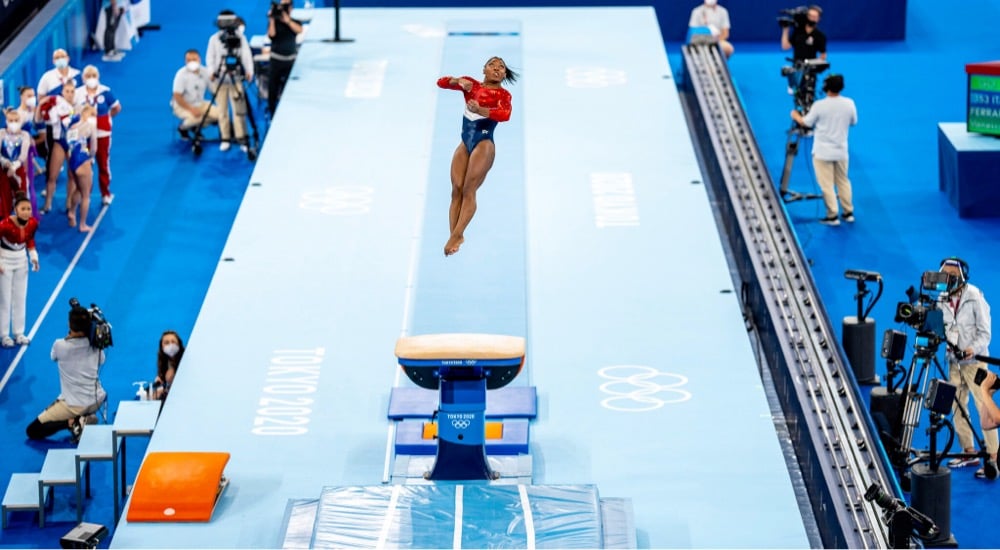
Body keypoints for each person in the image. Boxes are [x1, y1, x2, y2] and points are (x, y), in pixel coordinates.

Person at [437, 57, 517, 256]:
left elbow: (504, 114)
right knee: (456, 190)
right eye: (493, 65)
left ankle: (457, 235)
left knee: (468, 189)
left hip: (484, 144)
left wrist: (479, 109)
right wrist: (457, 81)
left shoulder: (504, 94)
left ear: (504, 75)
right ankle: (454, 235)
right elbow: (441, 82)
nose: (497, 69)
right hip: (465, 144)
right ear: (484, 69)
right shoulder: (470, 85)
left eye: (501, 68)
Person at [937, 257, 997, 479]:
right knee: (957, 405)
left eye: (953, 276)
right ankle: (969, 451)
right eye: (946, 275)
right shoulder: (941, 296)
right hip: (953, 362)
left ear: (962, 277)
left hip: (975, 363)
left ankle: (993, 457)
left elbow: (985, 333)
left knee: (984, 409)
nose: (948, 279)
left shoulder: (975, 297)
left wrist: (972, 349)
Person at [25, 304, 106, 441]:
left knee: (32, 430)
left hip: (76, 406)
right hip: (97, 399)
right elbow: (101, 360)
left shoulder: (59, 345)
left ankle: (73, 422)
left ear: (69, 324)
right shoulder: (95, 345)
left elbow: (53, 357)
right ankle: (85, 417)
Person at [790, 74, 856, 226]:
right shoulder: (849, 103)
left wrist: (795, 115)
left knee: (827, 185)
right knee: (843, 181)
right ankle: (848, 212)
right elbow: (853, 121)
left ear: (826, 87)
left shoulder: (819, 105)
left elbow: (806, 123)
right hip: (841, 151)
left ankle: (832, 215)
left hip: (822, 153)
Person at [205, 11, 254, 153]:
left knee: (239, 110)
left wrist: (249, 70)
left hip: (236, 78)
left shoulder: (241, 38)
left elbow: (246, 55)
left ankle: (242, 138)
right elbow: (210, 58)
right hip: (219, 78)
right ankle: (225, 139)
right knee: (222, 111)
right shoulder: (214, 39)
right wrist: (211, 72)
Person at [74, 64, 121, 206]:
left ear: (98, 77)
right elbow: (74, 112)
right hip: (84, 135)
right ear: (83, 78)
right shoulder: (78, 93)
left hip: (102, 134)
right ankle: (83, 194)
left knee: (103, 163)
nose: (91, 79)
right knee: (84, 165)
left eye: (93, 76)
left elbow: (117, 108)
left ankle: (105, 193)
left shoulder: (105, 91)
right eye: (88, 76)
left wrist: (107, 119)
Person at [0, 195, 39, 348]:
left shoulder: (33, 224)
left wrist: (34, 257)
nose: (26, 212)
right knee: (4, 299)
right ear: (15, 210)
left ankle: (19, 333)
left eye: (28, 209)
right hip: (5, 262)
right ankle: (4, 335)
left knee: (20, 297)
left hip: (21, 261)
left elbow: (30, 239)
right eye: (23, 209)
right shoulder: (4, 225)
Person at [36, 49, 81, 168]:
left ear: (68, 58)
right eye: (57, 57)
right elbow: (41, 99)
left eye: (62, 56)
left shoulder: (77, 75)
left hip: (74, 119)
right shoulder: (47, 77)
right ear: (53, 61)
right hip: (54, 122)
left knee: (74, 154)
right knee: (54, 154)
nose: (60, 59)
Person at [41, 80, 78, 214]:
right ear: (62, 92)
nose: (69, 94)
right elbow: (61, 121)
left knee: (72, 175)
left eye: (72, 91)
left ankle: (69, 202)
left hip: (72, 143)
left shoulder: (76, 106)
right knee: (52, 175)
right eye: (67, 91)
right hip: (60, 141)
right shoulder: (58, 105)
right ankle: (48, 203)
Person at [63, 105, 99, 232]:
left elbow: (69, 147)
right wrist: (91, 157)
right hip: (83, 161)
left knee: (78, 188)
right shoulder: (90, 126)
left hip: (72, 161)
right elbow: (94, 147)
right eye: (93, 115)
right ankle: (83, 224)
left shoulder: (71, 127)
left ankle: (72, 212)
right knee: (86, 195)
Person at [172, 49, 220, 139]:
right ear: (185, 61)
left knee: (221, 114)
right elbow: (177, 96)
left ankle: (196, 127)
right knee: (197, 118)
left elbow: (213, 90)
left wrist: (221, 103)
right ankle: (183, 128)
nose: (191, 62)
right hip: (182, 105)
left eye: (194, 59)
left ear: (199, 59)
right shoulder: (181, 75)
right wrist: (191, 109)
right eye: (188, 60)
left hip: (200, 103)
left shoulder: (205, 72)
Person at [266, 0, 304, 116]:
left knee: (290, 90)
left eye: (286, 6)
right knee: (272, 91)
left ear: (291, 7)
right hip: (276, 61)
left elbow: (299, 30)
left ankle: (291, 113)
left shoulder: (294, 20)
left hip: (290, 61)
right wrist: (272, 19)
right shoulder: (275, 21)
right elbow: (271, 35)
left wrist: (288, 21)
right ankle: (272, 115)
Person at [780, 6, 827, 93]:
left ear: (819, 19)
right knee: (796, 92)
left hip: (810, 68)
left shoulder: (820, 36)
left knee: (809, 92)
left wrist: (816, 66)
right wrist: (785, 30)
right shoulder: (798, 32)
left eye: (815, 17)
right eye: (810, 16)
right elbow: (785, 47)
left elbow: (823, 55)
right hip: (797, 66)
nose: (812, 19)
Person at [0, 109, 32, 217]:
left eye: (16, 120)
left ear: (20, 121)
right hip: (4, 171)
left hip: (18, 171)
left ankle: (23, 224)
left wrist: (14, 166)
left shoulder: (25, 135)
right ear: (6, 121)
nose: (13, 123)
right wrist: (5, 162)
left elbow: (23, 155)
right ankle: (5, 224)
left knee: (22, 197)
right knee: (5, 199)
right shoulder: (1, 133)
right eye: (11, 120)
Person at [151, 330, 185, 401]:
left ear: (179, 344)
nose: (170, 345)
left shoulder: (185, 363)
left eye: (173, 342)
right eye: (166, 343)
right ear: (161, 347)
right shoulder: (164, 365)